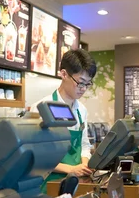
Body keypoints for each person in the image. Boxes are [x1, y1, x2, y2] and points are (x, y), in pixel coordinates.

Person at [31, 49, 97, 190]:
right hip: (49, 184)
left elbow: (85, 145)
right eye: (80, 82)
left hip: (77, 182)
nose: (83, 89)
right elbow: (37, 156)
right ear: (64, 74)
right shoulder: (41, 108)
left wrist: (84, 164)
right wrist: (69, 169)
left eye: (88, 84)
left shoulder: (82, 110)